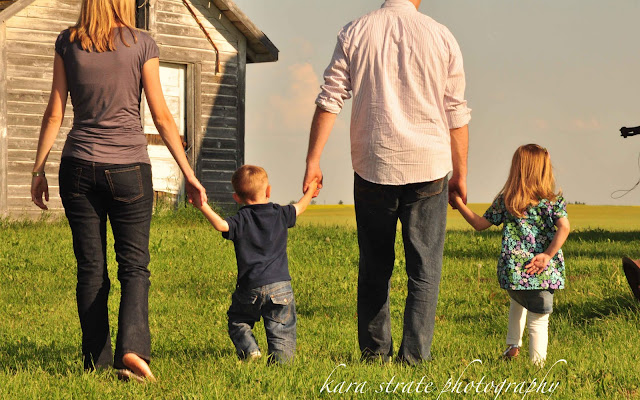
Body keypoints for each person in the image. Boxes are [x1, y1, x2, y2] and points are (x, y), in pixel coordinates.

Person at [30, 0, 206, 381]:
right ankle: (133, 352)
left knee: (90, 268)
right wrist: (188, 173)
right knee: (134, 266)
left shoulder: (67, 43)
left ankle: (96, 363)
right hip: (129, 169)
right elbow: (161, 115)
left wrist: (38, 169)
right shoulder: (142, 44)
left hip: (77, 167)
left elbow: (55, 112)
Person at [303, 0, 471, 364]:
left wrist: (313, 160)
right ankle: (414, 358)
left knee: (375, 266)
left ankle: (375, 354)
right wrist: (460, 174)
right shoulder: (441, 36)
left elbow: (330, 98)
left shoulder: (355, 32)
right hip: (429, 165)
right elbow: (456, 111)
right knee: (424, 269)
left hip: (373, 163)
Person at [451, 144, 570, 365]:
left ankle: (513, 346)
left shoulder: (508, 200)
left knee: (518, 301)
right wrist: (547, 255)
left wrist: (458, 203)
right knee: (538, 320)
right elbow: (564, 228)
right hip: (542, 270)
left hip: (515, 271)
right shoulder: (552, 202)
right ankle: (537, 367)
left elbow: (479, 224)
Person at [196, 165, 317, 363]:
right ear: (268, 191)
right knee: (282, 329)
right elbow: (300, 207)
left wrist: (202, 205)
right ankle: (281, 365)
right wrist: (311, 190)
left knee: (238, 320)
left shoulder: (241, 219)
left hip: (249, 287)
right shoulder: (280, 213)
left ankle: (250, 349)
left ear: (237, 197)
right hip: (280, 287)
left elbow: (221, 225)